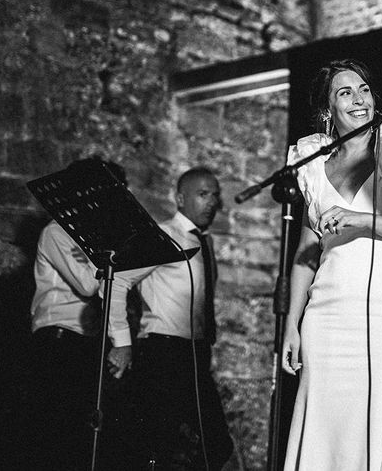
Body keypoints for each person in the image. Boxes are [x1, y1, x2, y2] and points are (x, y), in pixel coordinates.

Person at [281, 58, 382, 471]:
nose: (359, 98)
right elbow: (306, 253)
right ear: (327, 111)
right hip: (327, 316)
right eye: (345, 92)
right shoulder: (312, 164)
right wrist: (291, 326)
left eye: (365, 89)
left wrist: (364, 221)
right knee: (328, 427)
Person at [106, 166, 233, 470]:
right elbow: (117, 281)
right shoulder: (162, 235)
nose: (212, 202)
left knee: (215, 445)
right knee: (155, 444)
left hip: (195, 354)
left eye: (215, 195)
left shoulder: (204, 241)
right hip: (163, 352)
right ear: (179, 198)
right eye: (203, 194)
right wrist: (121, 343)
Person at [27, 157, 126, 471]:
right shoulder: (57, 231)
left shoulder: (90, 236)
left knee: (82, 439)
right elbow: (86, 284)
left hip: (83, 340)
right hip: (58, 339)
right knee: (57, 435)